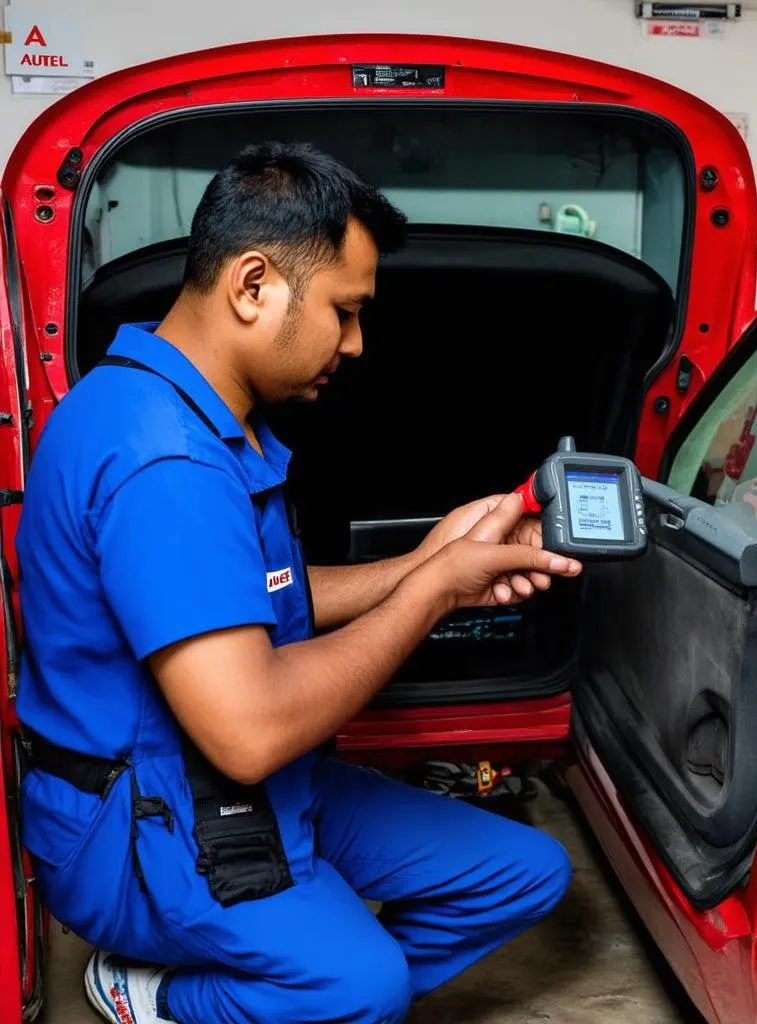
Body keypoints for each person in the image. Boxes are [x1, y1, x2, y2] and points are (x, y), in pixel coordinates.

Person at [14, 141, 582, 1024]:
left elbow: (256, 600)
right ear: (252, 286)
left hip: (243, 787)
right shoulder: (164, 459)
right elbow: (249, 732)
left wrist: (435, 564)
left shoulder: (191, 413)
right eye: (344, 311)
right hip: (146, 821)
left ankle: (291, 976)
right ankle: (159, 992)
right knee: (362, 987)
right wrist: (430, 598)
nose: (355, 344)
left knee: (525, 872)